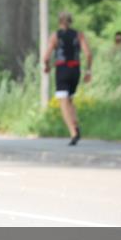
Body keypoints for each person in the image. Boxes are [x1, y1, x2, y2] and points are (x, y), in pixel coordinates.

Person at [42, 11, 92, 146]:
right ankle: (75, 123)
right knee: (70, 99)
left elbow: (46, 57)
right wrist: (88, 71)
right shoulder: (79, 35)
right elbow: (88, 54)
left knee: (63, 102)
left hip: (62, 69)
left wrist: (47, 66)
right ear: (71, 21)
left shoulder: (55, 36)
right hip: (75, 69)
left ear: (59, 21)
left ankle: (73, 132)